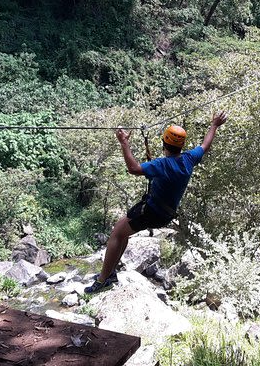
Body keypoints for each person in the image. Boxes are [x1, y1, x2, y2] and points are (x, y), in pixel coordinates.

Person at [84, 111, 228, 293]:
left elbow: (133, 168)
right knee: (122, 233)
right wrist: (214, 125)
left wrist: (124, 143)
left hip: (152, 211)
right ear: (181, 145)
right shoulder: (189, 159)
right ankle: (110, 272)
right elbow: (205, 145)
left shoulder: (162, 164)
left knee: (116, 234)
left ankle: (103, 280)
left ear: (164, 143)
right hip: (165, 214)